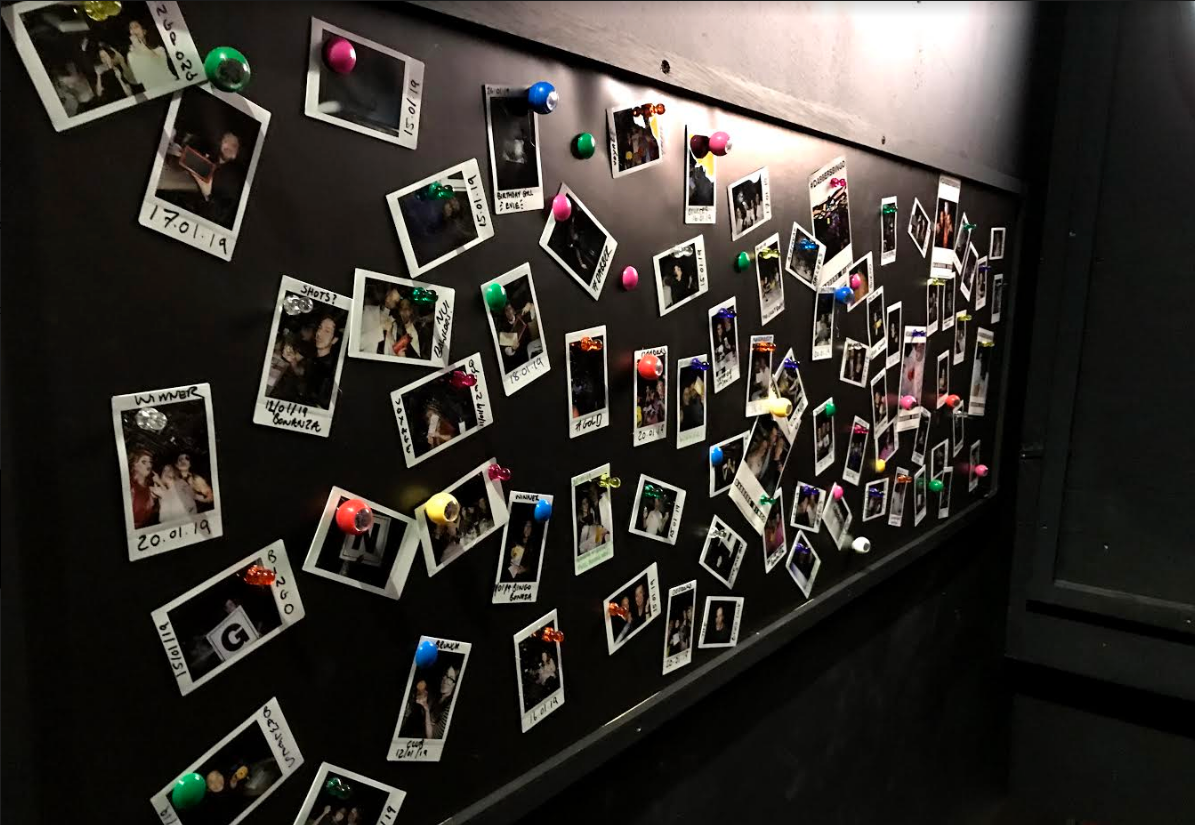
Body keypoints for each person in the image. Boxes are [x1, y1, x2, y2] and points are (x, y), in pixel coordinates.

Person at [302, 315, 341, 408]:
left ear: (334, 340)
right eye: (320, 328)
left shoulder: (330, 370)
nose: (319, 333)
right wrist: (293, 361)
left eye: (327, 331)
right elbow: (304, 374)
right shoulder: (313, 355)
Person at [126, 19, 177, 89]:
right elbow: (135, 79)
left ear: (144, 31)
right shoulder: (131, 55)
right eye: (130, 28)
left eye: (136, 27)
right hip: (152, 90)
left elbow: (157, 62)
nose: (133, 30)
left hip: (170, 85)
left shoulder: (158, 48)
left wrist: (138, 45)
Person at [359, 286, 401, 355]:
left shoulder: (394, 324)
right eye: (390, 295)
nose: (388, 300)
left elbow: (391, 354)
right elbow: (358, 344)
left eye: (395, 301)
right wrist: (380, 328)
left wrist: (391, 337)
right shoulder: (368, 311)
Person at [269, 336, 310, 403]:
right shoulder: (298, 356)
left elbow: (299, 373)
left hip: (292, 393)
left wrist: (292, 360)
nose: (290, 351)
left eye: (292, 350)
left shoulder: (306, 364)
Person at [128, 448, 158, 528]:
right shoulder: (128, 485)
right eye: (144, 462)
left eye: (150, 462)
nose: (149, 465)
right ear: (134, 465)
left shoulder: (150, 489)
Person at [498, 302, 529, 367]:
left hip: (527, 347)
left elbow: (531, 309)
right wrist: (513, 349)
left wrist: (529, 305)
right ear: (505, 314)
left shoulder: (521, 316)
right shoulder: (503, 328)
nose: (509, 312)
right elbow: (506, 349)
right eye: (506, 310)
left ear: (513, 310)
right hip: (516, 357)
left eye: (510, 309)